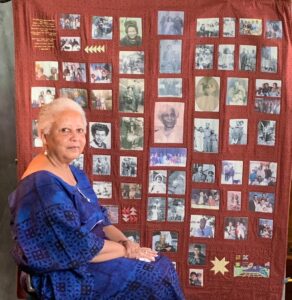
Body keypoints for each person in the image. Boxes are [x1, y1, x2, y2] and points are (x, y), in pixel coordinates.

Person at [8, 98, 185, 299]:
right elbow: (78, 248)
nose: (75, 138)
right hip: (66, 274)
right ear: (44, 135)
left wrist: (127, 243)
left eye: (80, 131)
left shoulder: (73, 172)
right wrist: (126, 251)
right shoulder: (42, 187)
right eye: (65, 130)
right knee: (155, 276)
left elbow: (101, 219)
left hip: (95, 255)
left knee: (160, 264)